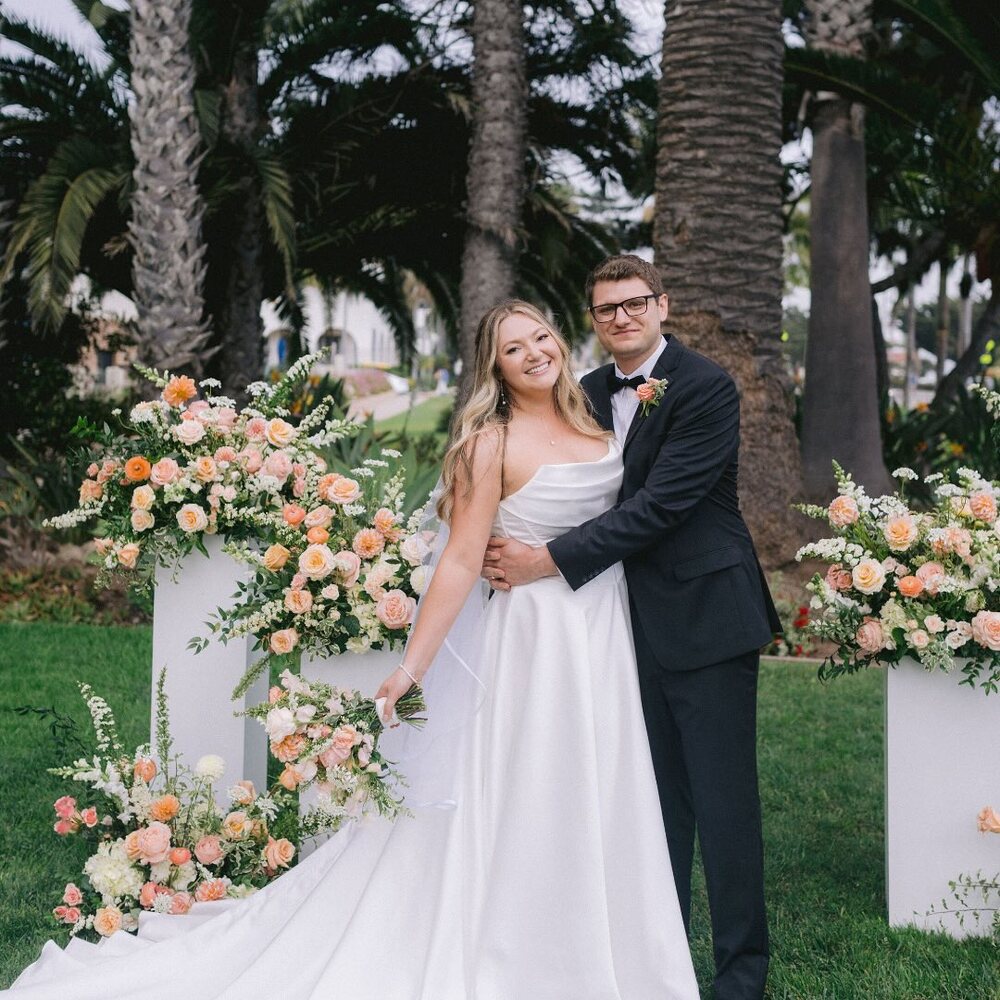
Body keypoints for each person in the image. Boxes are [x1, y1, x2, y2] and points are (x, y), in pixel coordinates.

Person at [4, 300, 699, 1000]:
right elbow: (459, 563)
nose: (535, 353)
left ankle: (605, 948)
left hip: (603, 633)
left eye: (541, 337)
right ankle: (524, 956)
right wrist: (410, 669)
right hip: (536, 644)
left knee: (601, 782)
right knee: (539, 785)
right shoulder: (491, 442)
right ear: (495, 367)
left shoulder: (600, 420)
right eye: (514, 348)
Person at [483, 255, 780, 1000]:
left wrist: (543, 560)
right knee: (651, 800)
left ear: (662, 306)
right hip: (617, 625)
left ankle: (742, 972)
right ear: (592, 319)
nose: (621, 317)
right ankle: (655, 952)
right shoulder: (581, 393)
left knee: (723, 802)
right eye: (606, 308)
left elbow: (661, 508)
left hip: (706, 616)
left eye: (634, 303)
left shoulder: (706, 386)